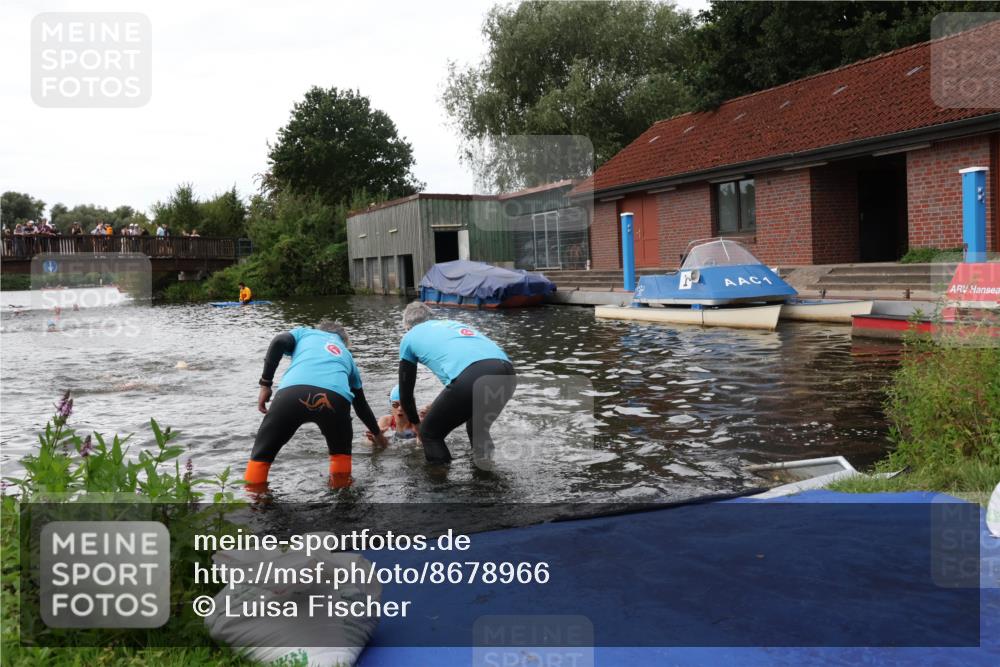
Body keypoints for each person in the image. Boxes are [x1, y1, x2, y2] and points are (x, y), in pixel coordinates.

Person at [245, 320, 387, 485]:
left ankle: (254, 503)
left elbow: (278, 341)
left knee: (261, 457)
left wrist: (265, 384)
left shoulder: (304, 333)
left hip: (292, 394)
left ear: (320, 330)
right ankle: (342, 500)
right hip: (335, 399)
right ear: (344, 342)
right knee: (340, 460)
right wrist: (378, 436)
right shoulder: (347, 356)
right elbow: (361, 406)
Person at [397, 301, 517, 465]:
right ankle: (486, 472)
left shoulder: (409, 337)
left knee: (430, 434)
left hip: (473, 376)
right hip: (507, 372)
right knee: (477, 428)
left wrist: (418, 427)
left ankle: (441, 487)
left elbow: (406, 395)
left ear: (407, 327)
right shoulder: (451, 324)